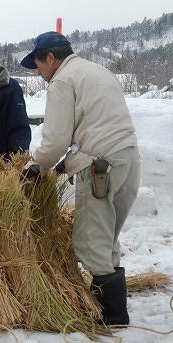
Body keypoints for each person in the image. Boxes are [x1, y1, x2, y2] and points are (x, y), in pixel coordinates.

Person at [20, 31, 139, 325]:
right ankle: (109, 306)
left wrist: (38, 165)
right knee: (107, 235)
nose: (39, 73)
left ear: (50, 57)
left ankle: (111, 314)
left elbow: (56, 138)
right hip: (127, 159)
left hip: (99, 168)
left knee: (90, 240)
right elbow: (95, 123)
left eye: (38, 64)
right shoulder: (98, 71)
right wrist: (65, 165)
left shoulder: (62, 80)